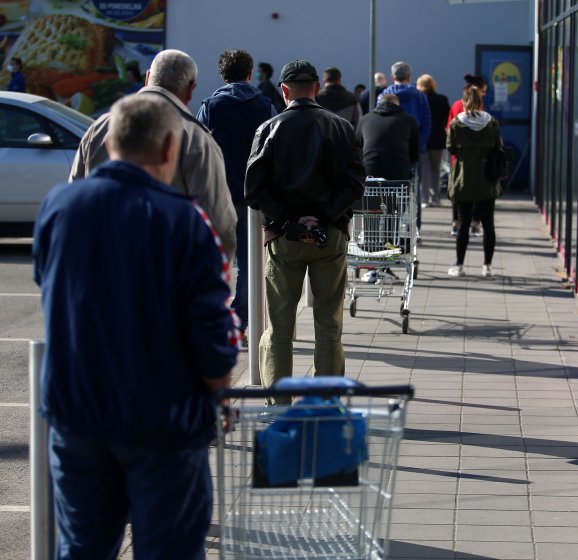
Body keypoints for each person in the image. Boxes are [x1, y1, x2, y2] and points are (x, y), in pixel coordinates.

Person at [33, 95, 239, 560]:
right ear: (170, 148)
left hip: (75, 411)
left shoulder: (59, 206)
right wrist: (220, 392)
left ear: (109, 141)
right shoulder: (185, 221)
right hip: (161, 419)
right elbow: (210, 330)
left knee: (83, 550)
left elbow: (49, 286)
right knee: (168, 555)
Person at [245, 60, 365, 400]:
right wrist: (325, 217)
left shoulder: (269, 128)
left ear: (284, 91)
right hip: (331, 235)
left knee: (279, 327)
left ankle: (279, 402)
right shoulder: (341, 127)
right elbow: (355, 181)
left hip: (284, 239)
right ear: (316, 88)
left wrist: (290, 222)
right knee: (329, 326)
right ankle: (326, 401)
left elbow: (253, 190)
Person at [70, 49, 237, 262]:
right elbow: (216, 223)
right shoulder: (196, 138)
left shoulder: (99, 128)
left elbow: (76, 201)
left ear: (148, 77)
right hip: (166, 276)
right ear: (190, 89)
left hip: (101, 271)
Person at [197, 49, 277, 343]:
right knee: (249, 263)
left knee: (212, 263)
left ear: (222, 74)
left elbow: (198, 149)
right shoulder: (266, 106)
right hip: (254, 199)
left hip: (217, 197)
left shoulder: (210, 107)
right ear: (249, 73)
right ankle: (240, 322)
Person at [446, 85, 503, 278]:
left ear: (463, 102)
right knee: (488, 223)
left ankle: (459, 264)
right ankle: (487, 265)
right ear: (480, 102)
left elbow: (451, 148)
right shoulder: (492, 123)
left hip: (464, 179)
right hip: (488, 179)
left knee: (464, 224)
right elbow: (498, 147)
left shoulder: (456, 124)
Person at [378, 61, 431, 241]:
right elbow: (426, 123)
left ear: (392, 77)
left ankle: (384, 232)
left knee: (385, 193)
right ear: (410, 76)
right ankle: (414, 231)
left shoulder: (385, 95)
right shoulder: (419, 96)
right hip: (412, 153)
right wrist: (419, 146)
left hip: (387, 152)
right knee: (413, 192)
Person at [447, 73, 488, 237]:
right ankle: (475, 223)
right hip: (476, 160)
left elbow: (448, 131)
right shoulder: (481, 113)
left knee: (457, 192)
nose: (484, 94)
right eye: (483, 91)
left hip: (458, 159)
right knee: (477, 192)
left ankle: (456, 223)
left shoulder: (456, 106)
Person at [356, 93, 419, 180]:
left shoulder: (365, 119)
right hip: (399, 168)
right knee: (400, 191)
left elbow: (357, 148)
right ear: (398, 105)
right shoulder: (409, 120)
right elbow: (414, 151)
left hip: (370, 168)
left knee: (371, 193)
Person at [417, 73, 449, 207]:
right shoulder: (442, 99)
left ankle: (425, 199)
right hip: (438, 138)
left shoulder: (419, 99)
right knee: (436, 170)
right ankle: (436, 198)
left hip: (423, 138)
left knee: (424, 170)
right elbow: (447, 117)